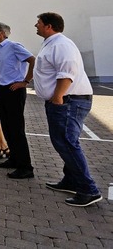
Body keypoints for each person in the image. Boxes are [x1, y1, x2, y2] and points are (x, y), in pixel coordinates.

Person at [33, 12, 102, 207]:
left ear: (48, 26)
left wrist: (57, 98)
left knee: (66, 142)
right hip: (66, 100)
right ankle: (71, 180)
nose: (35, 25)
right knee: (65, 141)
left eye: (38, 23)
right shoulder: (52, 43)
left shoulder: (61, 45)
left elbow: (67, 72)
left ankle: (89, 189)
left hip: (69, 100)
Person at [0, 22, 36, 179]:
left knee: (16, 129)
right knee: (7, 128)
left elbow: (32, 60)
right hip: (2, 91)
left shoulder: (14, 46)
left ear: (2, 33)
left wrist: (26, 81)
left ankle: (25, 167)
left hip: (14, 90)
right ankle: (14, 158)